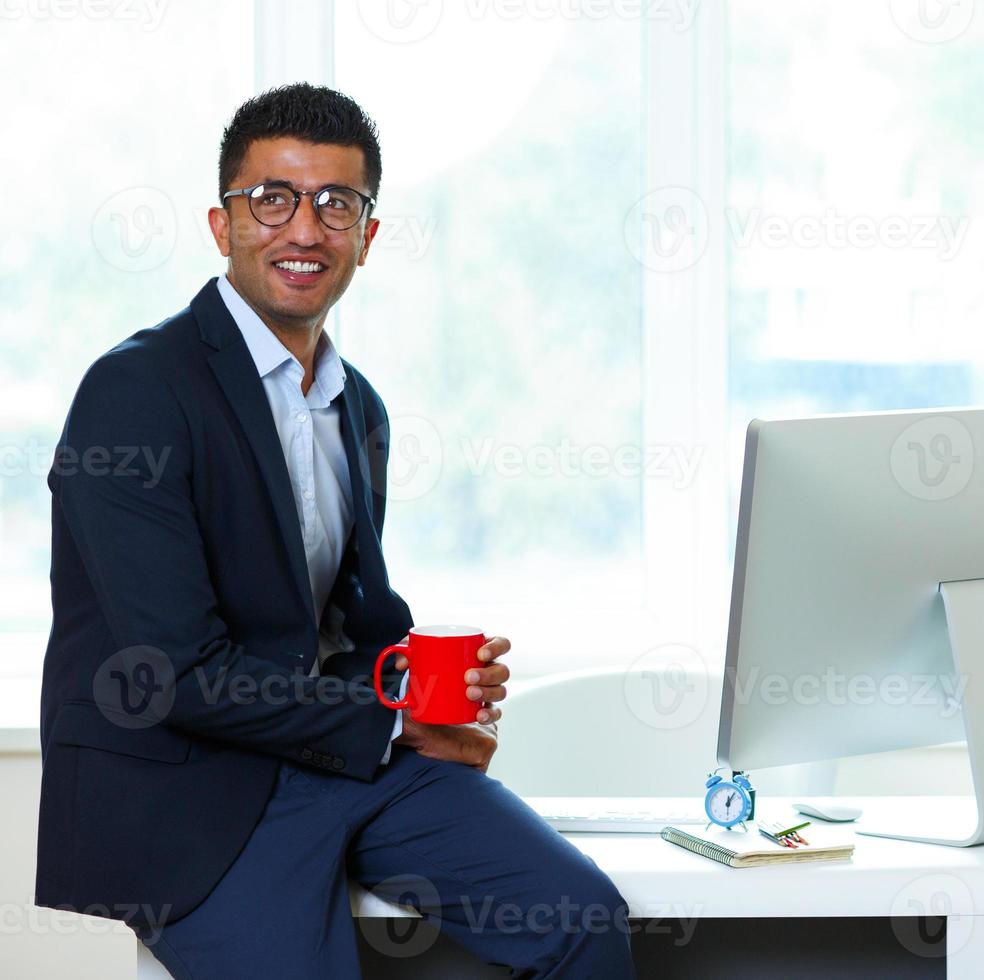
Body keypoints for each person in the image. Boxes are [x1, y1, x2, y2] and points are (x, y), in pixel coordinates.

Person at [34, 82, 634, 979]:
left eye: (336, 203)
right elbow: (173, 674)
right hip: (190, 792)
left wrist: (438, 696)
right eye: (272, 198)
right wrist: (390, 723)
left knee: (584, 917)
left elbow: (356, 624)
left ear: (368, 234)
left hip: (329, 762)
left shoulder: (357, 405)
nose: (304, 229)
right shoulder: (138, 393)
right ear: (221, 223)